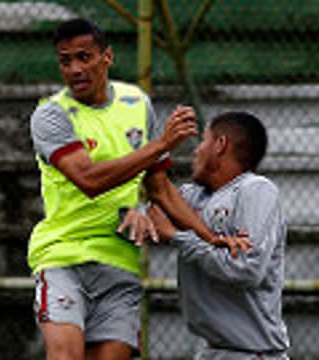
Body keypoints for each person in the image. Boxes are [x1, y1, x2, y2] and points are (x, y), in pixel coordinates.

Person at [28, 18, 250, 360]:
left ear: (107, 57)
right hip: (62, 256)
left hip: (119, 262)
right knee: (64, 356)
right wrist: (161, 143)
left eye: (84, 57)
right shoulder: (52, 115)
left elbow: (160, 188)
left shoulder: (135, 103)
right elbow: (90, 181)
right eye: (65, 60)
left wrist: (210, 236)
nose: (74, 69)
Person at [147, 112, 290, 360]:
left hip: (252, 354)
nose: (196, 151)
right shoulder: (192, 196)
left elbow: (246, 269)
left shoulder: (255, 190)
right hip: (209, 352)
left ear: (220, 145)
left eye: (203, 141)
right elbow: (154, 206)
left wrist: (178, 237)